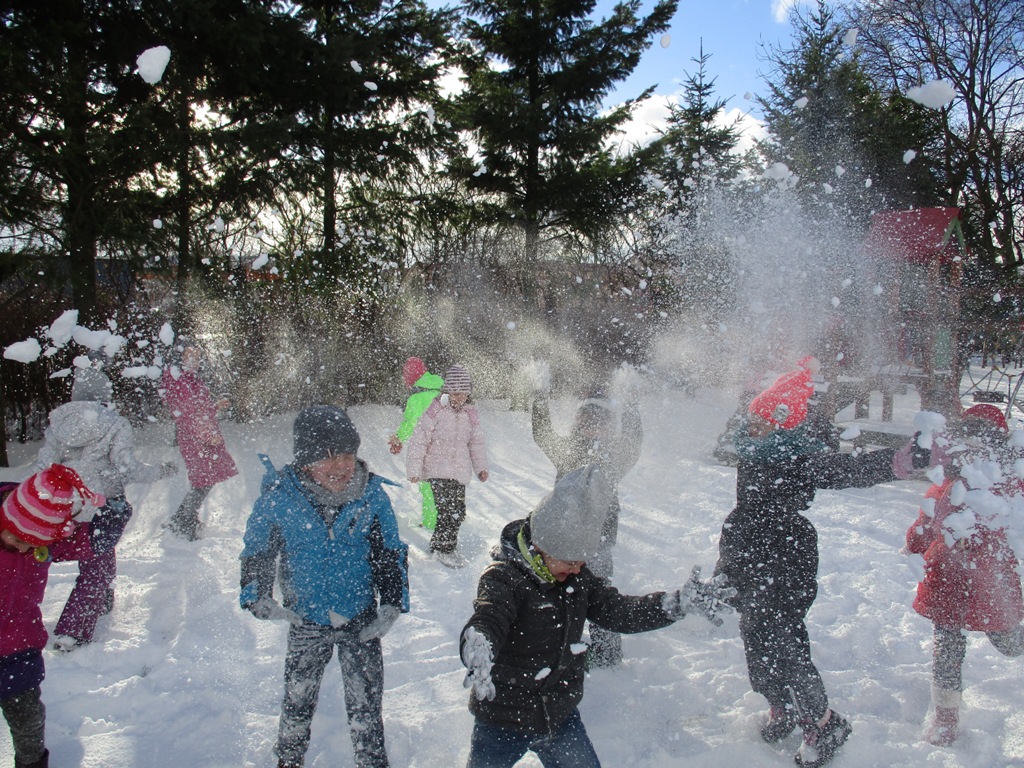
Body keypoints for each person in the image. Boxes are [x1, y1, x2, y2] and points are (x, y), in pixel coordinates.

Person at [713, 356, 930, 768]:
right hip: (750, 554)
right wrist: (725, 570)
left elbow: (851, 469)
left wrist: (902, 461)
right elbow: (742, 521)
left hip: (785, 557)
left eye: (760, 420)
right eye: (752, 418)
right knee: (755, 637)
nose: (751, 425)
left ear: (782, 425)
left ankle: (824, 722)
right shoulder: (753, 451)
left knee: (785, 641)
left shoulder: (799, 460)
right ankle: (781, 706)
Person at [459, 464, 734, 768]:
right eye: (570, 561)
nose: (577, 569)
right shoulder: (504, 578)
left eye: (582, 561)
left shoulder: (577, 579)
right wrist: (479, 644)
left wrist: (676, 604)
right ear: (541, 547)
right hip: (503, 718)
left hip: (559, 716)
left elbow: (621, 612)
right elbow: (490, 617)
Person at [240, 405, 409, 768]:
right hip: (306, 619)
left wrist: (392, 602)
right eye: (327, 457)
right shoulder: (280, 498)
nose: (340, 466)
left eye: (347, 455)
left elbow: (389, 553)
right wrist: (257, 595)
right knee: (297, 701)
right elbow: (258, 551)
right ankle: (289, 758)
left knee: (366, 706)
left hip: (360, 619)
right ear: (304, 463)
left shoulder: (371, 496)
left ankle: (372, 761)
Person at [904, 403, 1024, 746]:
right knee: (948, 649)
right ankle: (946, 718)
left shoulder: (1011, 484)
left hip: (992, 583)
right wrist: (915, 543)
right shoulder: (949, 482)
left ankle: (1015, 642)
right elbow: (926, 520)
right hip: (948, 579)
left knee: (1007, 642)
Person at [36, 365, 177, 651]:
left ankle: (101, 600)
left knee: (86, 555)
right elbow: (127, 468)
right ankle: (72, 631)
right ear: (104, 394)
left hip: (62, 508)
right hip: (100, 506)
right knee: (95, 565)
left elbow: (43, 468)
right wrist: (160, 471)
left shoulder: (57, 425)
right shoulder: (114, 423)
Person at [1, 465, 129, 768]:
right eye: (14, 538)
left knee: (28, 721)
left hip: (19, 645)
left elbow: (93, 541)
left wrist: (114, 511)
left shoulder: (49, 537)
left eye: (32, 545)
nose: (22, 547)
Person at [531, 383, 642, 667]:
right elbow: (542, 434)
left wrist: (631, 408)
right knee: (560, 593)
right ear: (578, 422)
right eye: (587, 420)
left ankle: (607, 652)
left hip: (598, 539)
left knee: (599, 592)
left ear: (608, 426)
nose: (593, 427)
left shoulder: (614, 456)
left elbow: (633, 443)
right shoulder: (566, 450)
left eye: (600, 422)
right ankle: (562, 647)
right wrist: (540, 398)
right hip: (563, 539)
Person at [406, 364, 489, 568]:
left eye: (463, 393)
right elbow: (419, 440)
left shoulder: (470, 414)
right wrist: (414, 469)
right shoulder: (436, 410)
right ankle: (444, 549)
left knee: (458, 511)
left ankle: (440, 544)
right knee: (447, 510)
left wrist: (481, 468)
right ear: (447, 391)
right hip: (436, 469)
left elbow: (476, 443)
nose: (459, 397)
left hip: (459, 472)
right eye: (455, 393)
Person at [161, 343, 237, 540]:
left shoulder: (190, 379)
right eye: (190, 357)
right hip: (195, 439)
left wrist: (215, 406)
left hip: (200, 436)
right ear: (180, 358)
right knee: (204, 479)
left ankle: (182, 518)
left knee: (205, 478)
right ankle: (184, 522)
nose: (195, 361)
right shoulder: (180, 381)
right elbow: (189, 413)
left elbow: (199, 408)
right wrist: (207, 435)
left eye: (197, 357)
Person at [387, 356, 444, 530]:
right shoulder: (444, 390)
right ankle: (450, 519)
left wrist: (398, 438)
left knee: (428, 488)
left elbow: (410, 424)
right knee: (447, 485)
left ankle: (432, 523)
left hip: (429, 449)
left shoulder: (417, 398)